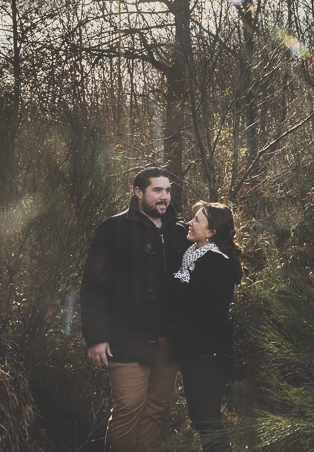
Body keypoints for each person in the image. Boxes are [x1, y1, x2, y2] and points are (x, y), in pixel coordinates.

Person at [81, 167, 190, 452]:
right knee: (128, 408)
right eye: (157, 190)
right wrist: (96, 337)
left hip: (168, 337)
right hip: (127, 337)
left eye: (167, 190)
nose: (164, 197)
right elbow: (93, 286)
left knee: (157, 410)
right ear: (138, 192)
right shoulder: (113, 229)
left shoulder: (178, 230)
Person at [170, 201, 243, 452]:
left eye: (197, 220)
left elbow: (199, 310)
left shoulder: (215, 263)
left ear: (211, 233)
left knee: (208, 422)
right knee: (203, 420)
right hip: (198, 353)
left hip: (210, 356)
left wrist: (175, 285)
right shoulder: (194, 255)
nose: (191, 223)